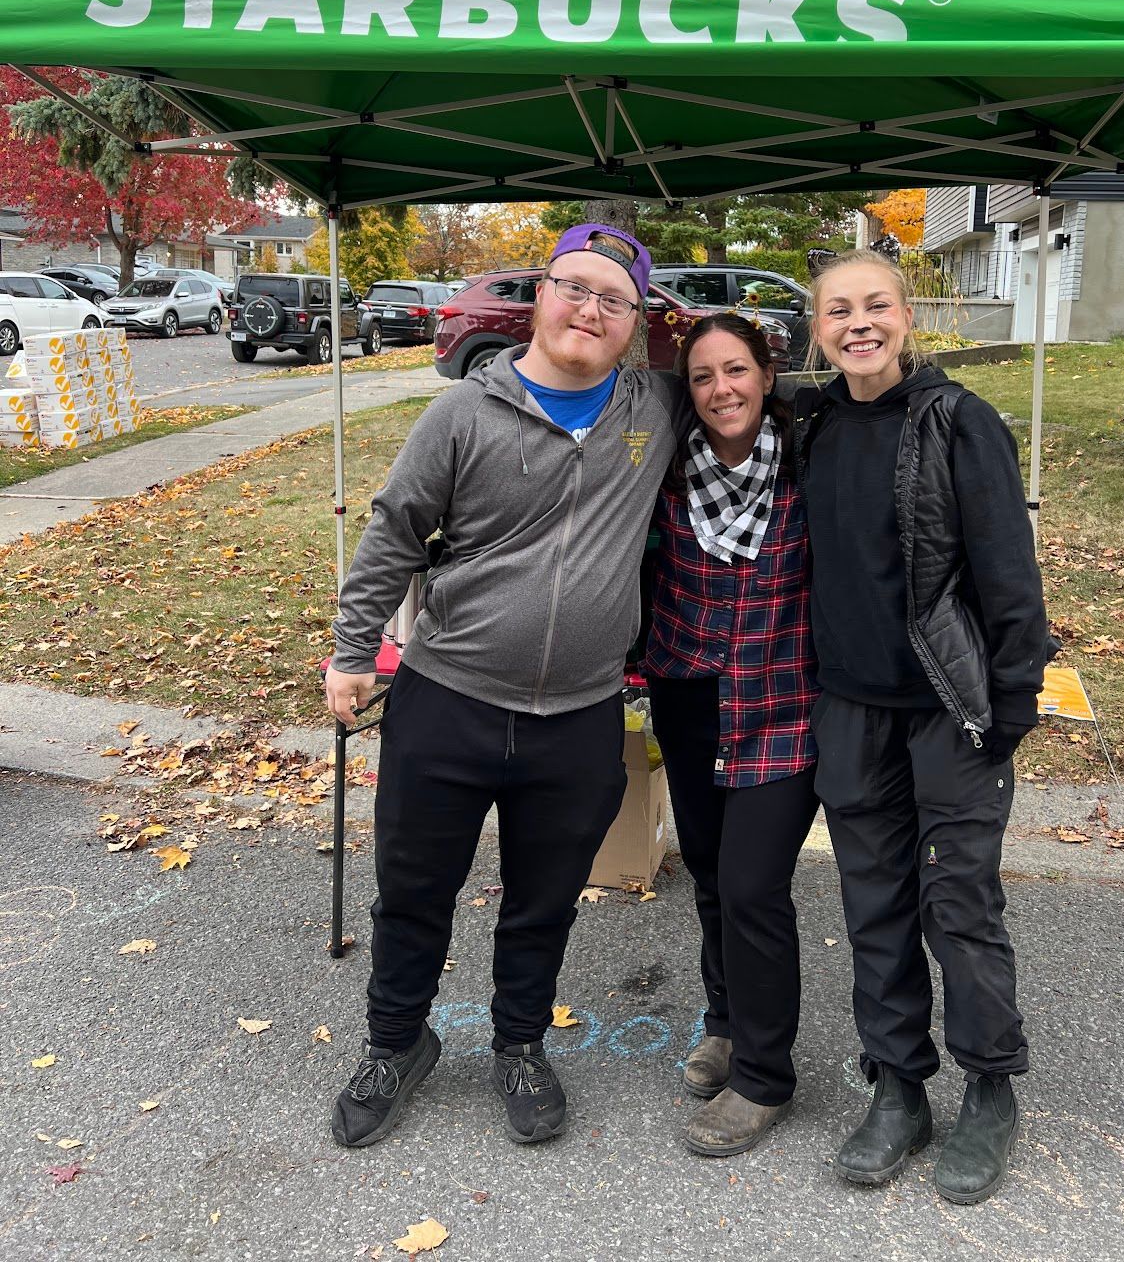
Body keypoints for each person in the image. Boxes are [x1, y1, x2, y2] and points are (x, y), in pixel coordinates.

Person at [324, 223, 687, 1151]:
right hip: (448, 698)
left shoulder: (656, 410)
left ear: (636, 323)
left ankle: (519, 1044)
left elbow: (753, 389)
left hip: (578, 715)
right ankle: (395, 1045)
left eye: (615, 300)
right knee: (413, 889)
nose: (589, 310)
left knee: (544, 898)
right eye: (575, 288)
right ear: (540, 296)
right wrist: (351, 649)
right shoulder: (461, 414)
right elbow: (394, 531)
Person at [797, 249, 1049, 1206]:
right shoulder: (812, 423)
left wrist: (1012, 706)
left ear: (908, 317)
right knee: (875, 908)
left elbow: (1008, 572)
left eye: (875, 307)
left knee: (959, 905)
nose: (858, 324)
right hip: (850, 709)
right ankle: (897, 1086)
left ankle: (991, 1086)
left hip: (952, 709)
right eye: (838, 311)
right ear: (816, 328)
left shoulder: (959, 421)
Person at [644, 313, 820, 1157]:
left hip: (783, 703)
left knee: (753, 886)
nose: (723, 390)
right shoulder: (664, 470)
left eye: (737, 370)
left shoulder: (810, 466)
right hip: (688, 694)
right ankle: (725, 1020)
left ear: (767, 374)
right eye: (705, 376)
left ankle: (764, 1075)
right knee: (712, 874)